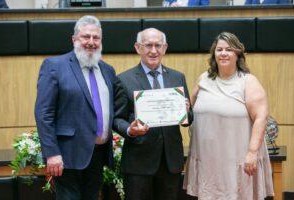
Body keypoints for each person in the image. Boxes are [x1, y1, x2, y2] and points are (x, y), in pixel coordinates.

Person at [35, 15, 122, 200]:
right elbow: (44, 114)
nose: (91, 42)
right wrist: (52, 153)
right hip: (67, 156)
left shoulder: (108, 70)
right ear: (74, 39)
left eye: (96, 38)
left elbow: (114, 108)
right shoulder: (54, 66)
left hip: (98, 155)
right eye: (85, 37)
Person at [183, 32, 274, 199]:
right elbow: (187, 109)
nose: (223, 53)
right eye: (219, 49)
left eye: (229, 49)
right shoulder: (203, 79)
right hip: (207, 158)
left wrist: (252, 152)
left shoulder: (248, 81)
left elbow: (261, 118)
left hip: (237, 158)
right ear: (214, 53)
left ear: (237, 53)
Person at [113, 28, 193, 200]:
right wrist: (130, 130)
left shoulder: (177, 77)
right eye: (148, 45)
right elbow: (116, 118)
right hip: (138, 163)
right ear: (138, 48)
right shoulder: (123, 79)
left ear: (165, 48)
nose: (153, 50)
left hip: (170, 161)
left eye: (158, 45)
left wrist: (186, 112)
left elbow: (187, 119)